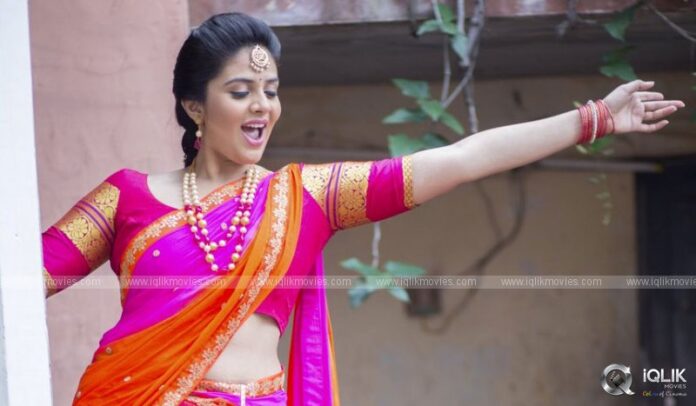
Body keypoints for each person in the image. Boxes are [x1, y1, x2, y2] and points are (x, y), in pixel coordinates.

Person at [40, 11, 685, 406]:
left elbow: (460, 160)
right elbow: (25, 275)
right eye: (241, 91)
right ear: (193, 106)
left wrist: (593, 120)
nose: (263, 106)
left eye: (271, 90)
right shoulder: (127, 197)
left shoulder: (306, 197)